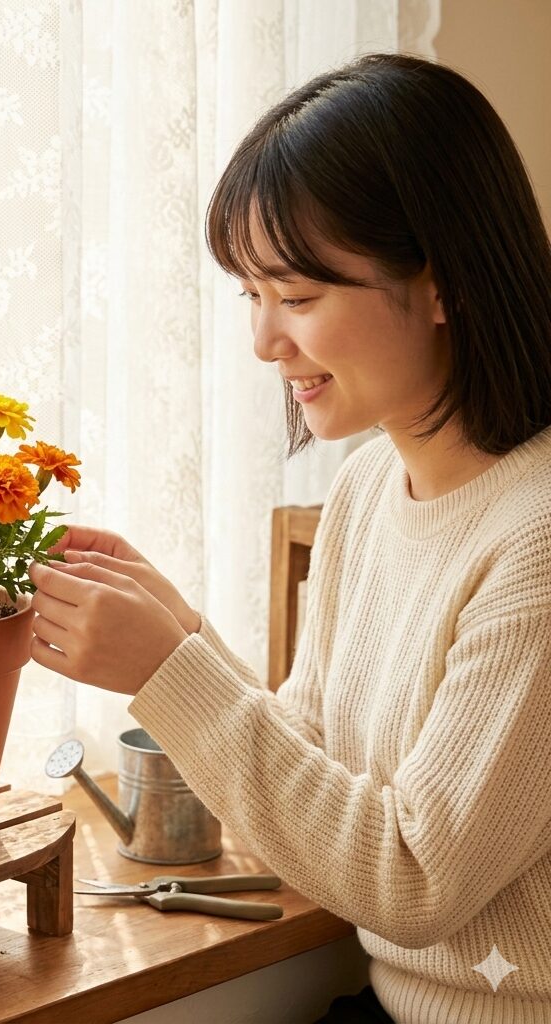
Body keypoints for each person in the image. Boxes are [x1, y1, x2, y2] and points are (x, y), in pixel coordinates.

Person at [27, 52, 551, 1024]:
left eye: (298, 298)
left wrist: (168, 669)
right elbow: (316, 764)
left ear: (443, 283)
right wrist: (183, 634)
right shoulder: (367, 487)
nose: (265, 343)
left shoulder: (536, 545)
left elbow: (412, 881)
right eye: (251, 296)